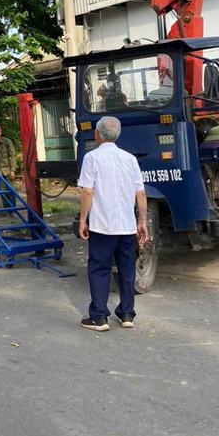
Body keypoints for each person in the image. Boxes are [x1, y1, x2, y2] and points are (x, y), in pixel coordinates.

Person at [77, 115, 147, 332]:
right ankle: (127, 314)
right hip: (126, 226)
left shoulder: (92, 158)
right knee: (127, 269)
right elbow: (140, 193)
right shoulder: (130, 159)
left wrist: (83, 220)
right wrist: (142, 221)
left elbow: (87, 191)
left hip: (102, 226)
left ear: (96, 134)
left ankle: (99, 317)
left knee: (99, 269)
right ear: (118, 135)